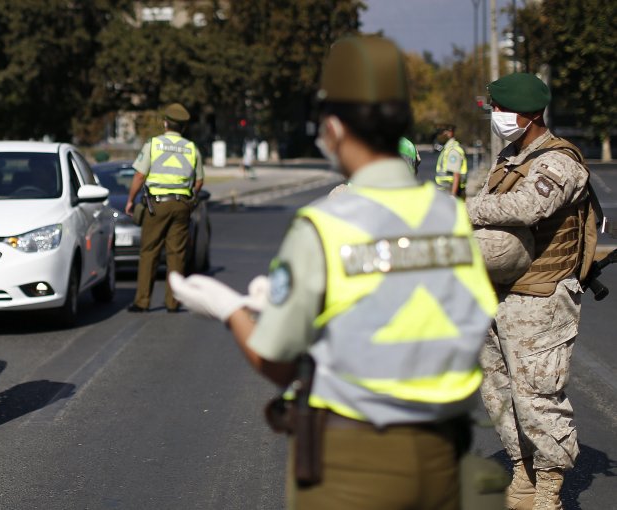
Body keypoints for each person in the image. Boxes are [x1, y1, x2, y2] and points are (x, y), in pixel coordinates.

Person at [168, 36, 500, 509]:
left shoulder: (324, 226)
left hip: (354, 463)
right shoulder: (451, 214)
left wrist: (231, 310)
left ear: (335, 128)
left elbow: (277, 362)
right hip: (442, 455)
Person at [467, 72, 595, 510]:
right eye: (494, 109)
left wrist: (464, 211)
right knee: (498, 392)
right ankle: (522, 473)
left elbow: (526, 207)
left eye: (503, 110)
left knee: (537, 393)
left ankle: (548, 489)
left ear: (531, 114)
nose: (497, 117)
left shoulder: (559, 162)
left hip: (540, 297)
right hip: (498, 293)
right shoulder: (509, 157)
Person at [124, 102, 204, 313]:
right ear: (184, 127)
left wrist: (130, 200)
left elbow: (140, 175)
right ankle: (173, 302)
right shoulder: (191, 148)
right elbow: (199, 181)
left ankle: (142, 301)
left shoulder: (153, 145)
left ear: (165, 123)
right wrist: (191, 199)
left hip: (156, 205)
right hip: (181, 204)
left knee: (150, 251)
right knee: (176, 254)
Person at [434, 123, 468, 197]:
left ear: (450, 133)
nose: (438, 136)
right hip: (446, 190)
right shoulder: (447, 148)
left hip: (451, 191)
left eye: (441, 133)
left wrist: (453, 196)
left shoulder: (453, 150)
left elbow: (456, 174)